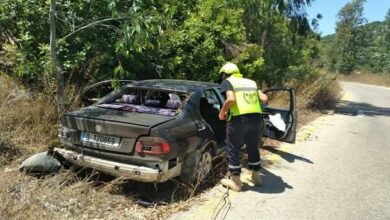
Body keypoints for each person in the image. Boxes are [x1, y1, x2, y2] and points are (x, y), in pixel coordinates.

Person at [218, 62, 268, 192]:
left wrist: (222, 112)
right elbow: (264, 98)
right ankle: (256, 177)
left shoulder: (228, 82)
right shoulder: (251, 82)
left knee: (233, 146)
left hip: (239, 119)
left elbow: (230, 100)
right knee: (252, 145)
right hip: (256, 118)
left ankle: (236, 182)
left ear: (224, 74)